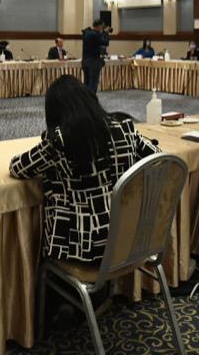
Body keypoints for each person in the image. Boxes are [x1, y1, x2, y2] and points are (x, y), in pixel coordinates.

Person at [9, 75, 159, 263]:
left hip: (88, 250)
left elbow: (18, 167)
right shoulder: (125, 128)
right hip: (132, 238)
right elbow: (157, 156)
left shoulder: (60, 141)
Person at [81, 19, 109, 93]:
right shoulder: (95, 34)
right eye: (102, 27)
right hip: (93, 62)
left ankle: (85, 98)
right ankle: (91, 99)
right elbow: (106, 42)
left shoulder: (87, 32)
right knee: (93, 83)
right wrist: (106, 33)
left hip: (85, 61)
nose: (102, 28)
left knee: (86, 82)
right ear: (99, 26)